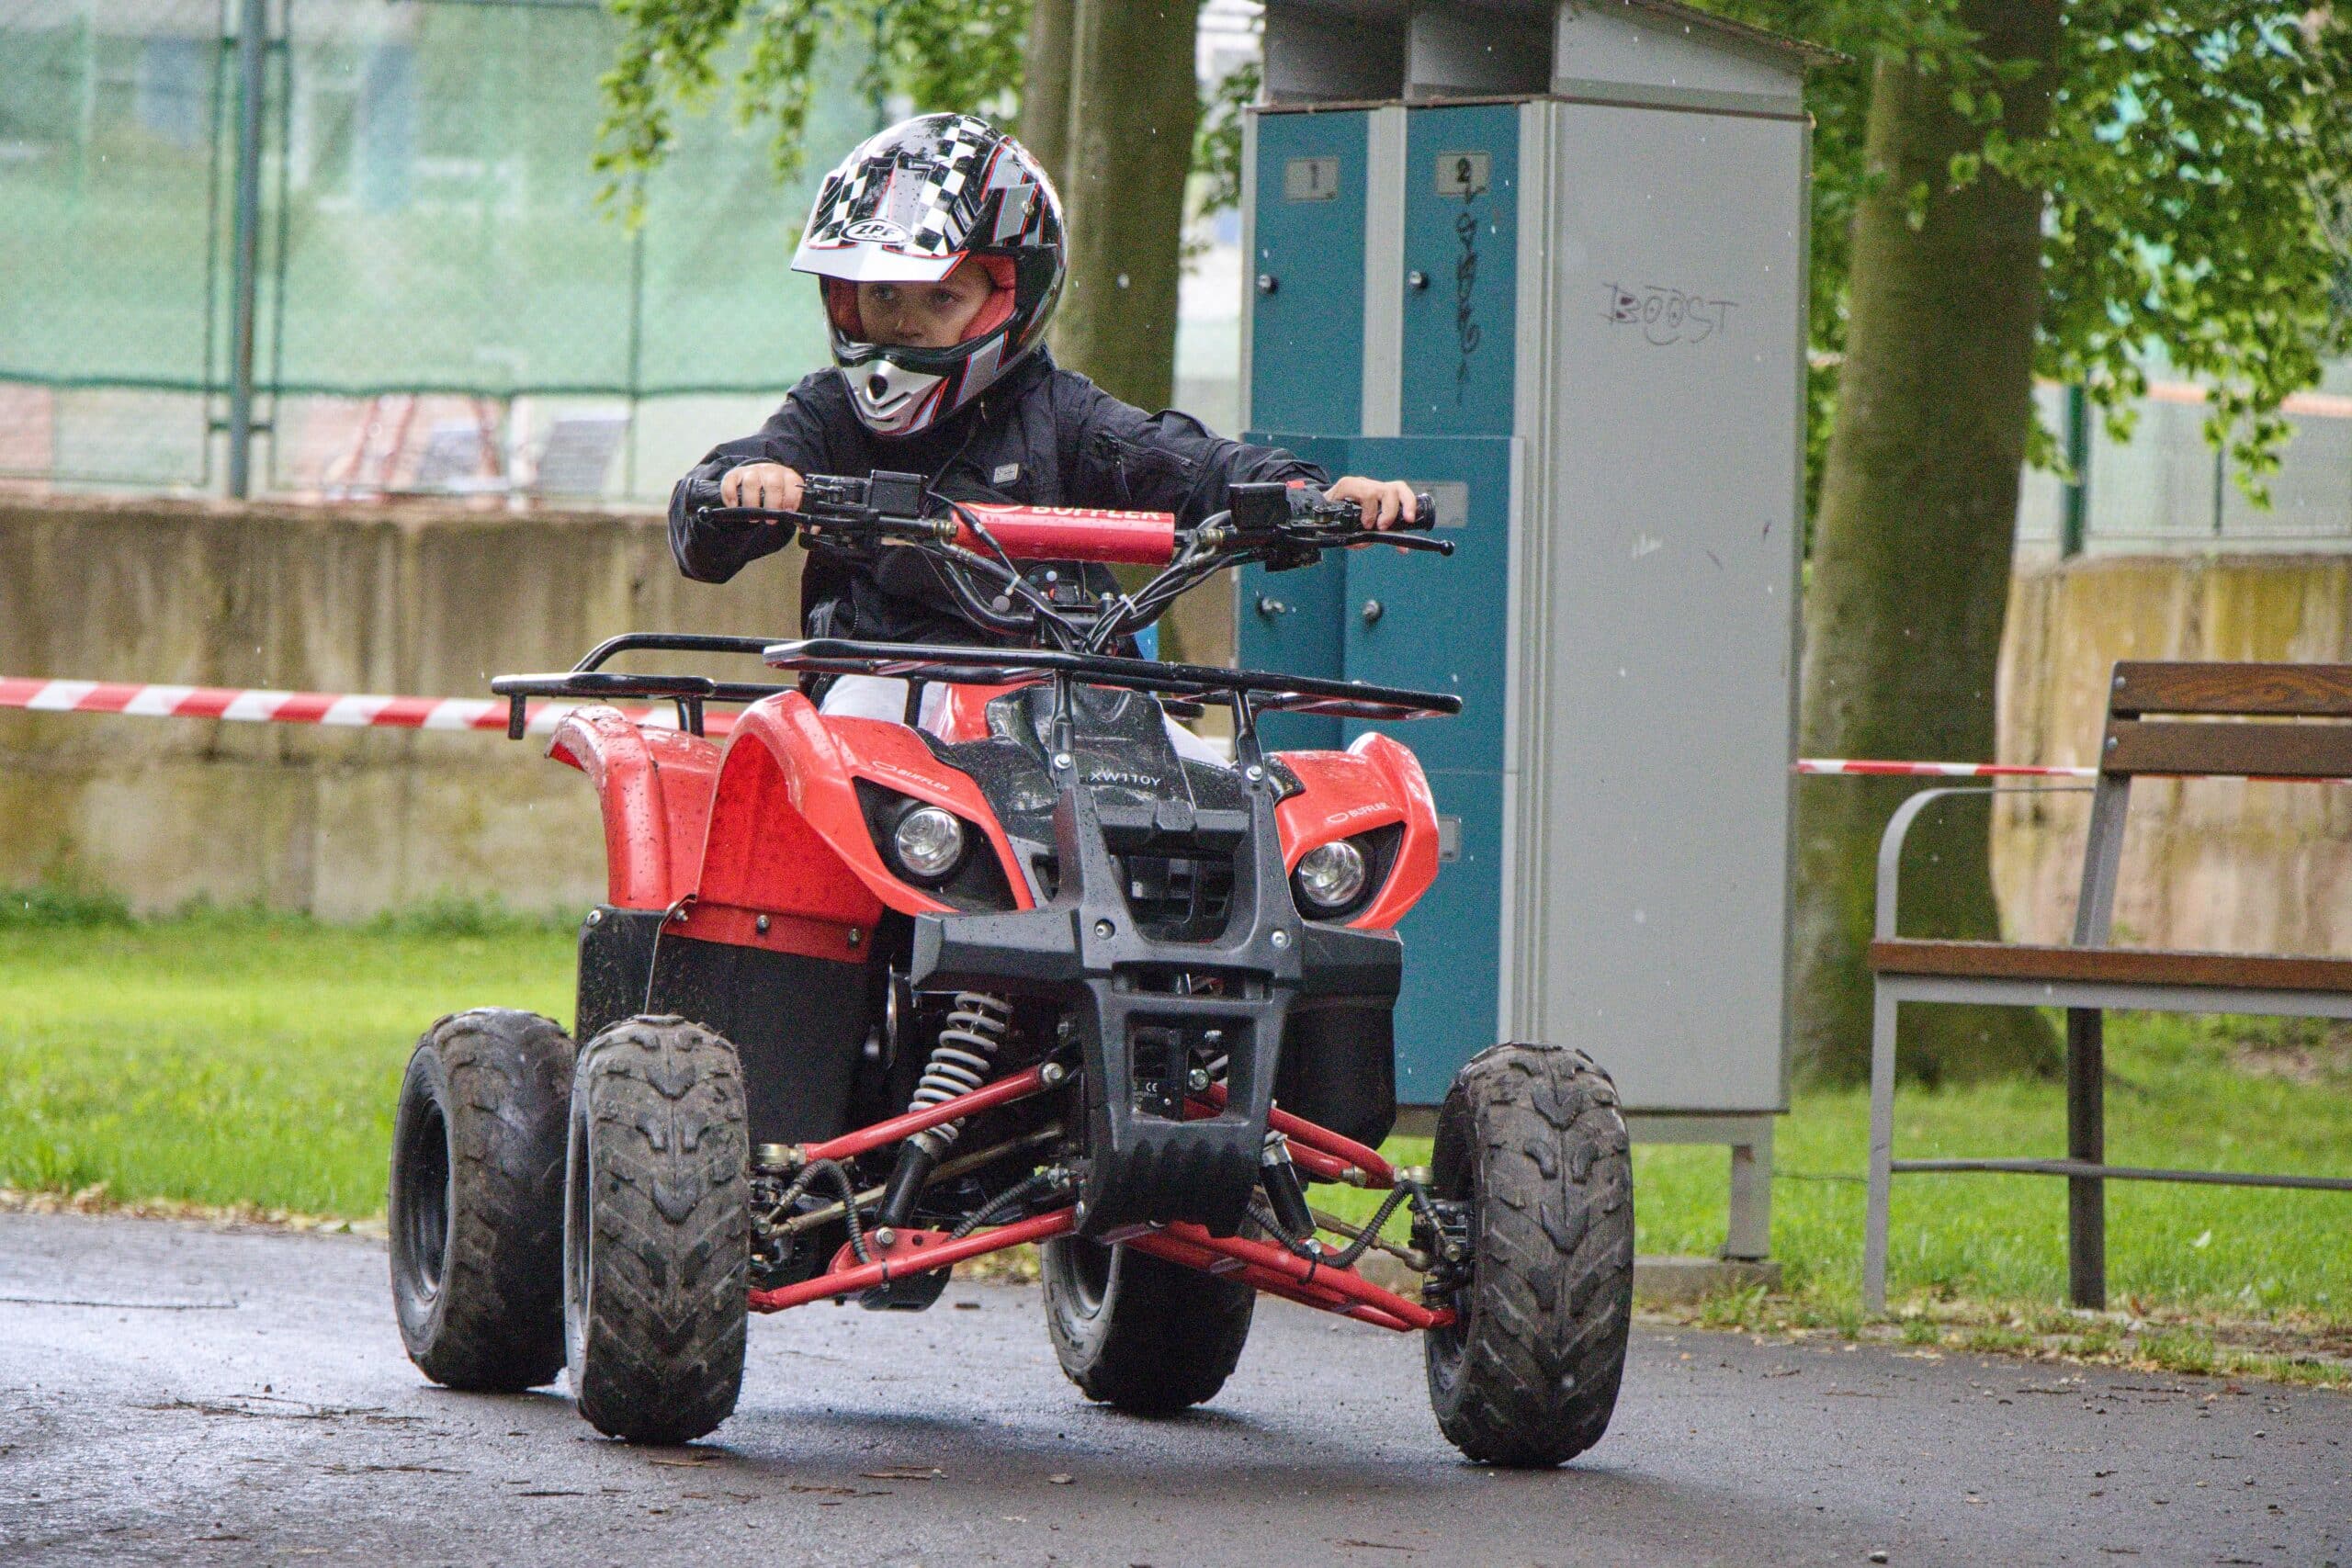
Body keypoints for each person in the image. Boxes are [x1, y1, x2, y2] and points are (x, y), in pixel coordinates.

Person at [669, 113, 1416, 751]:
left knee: (1224, 789)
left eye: (940, 297)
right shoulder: (827, 415)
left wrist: (1305, 493)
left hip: (1063, 693)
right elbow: (717, 512)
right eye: (883, 292)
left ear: (1010, 296)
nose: (904, 322)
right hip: (881, 683)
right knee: (850, 747)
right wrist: (747, 486)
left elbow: (1186, 463)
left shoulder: (1060, 414)